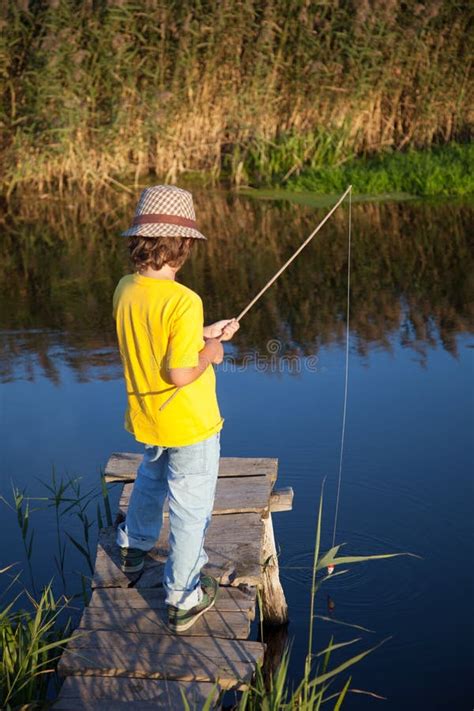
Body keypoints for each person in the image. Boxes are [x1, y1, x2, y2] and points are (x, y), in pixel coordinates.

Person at [112, 185, 239, 632]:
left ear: (139, 241)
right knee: (189, 509)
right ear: (184, 245)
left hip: (148, 419)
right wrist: (211, 353)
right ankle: (184, 596)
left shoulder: (127, 287)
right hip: (189, 424)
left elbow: (154, 335)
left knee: (150, 476)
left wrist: (206, 332)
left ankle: (134, 543)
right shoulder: (185, 299)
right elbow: (181, 373)